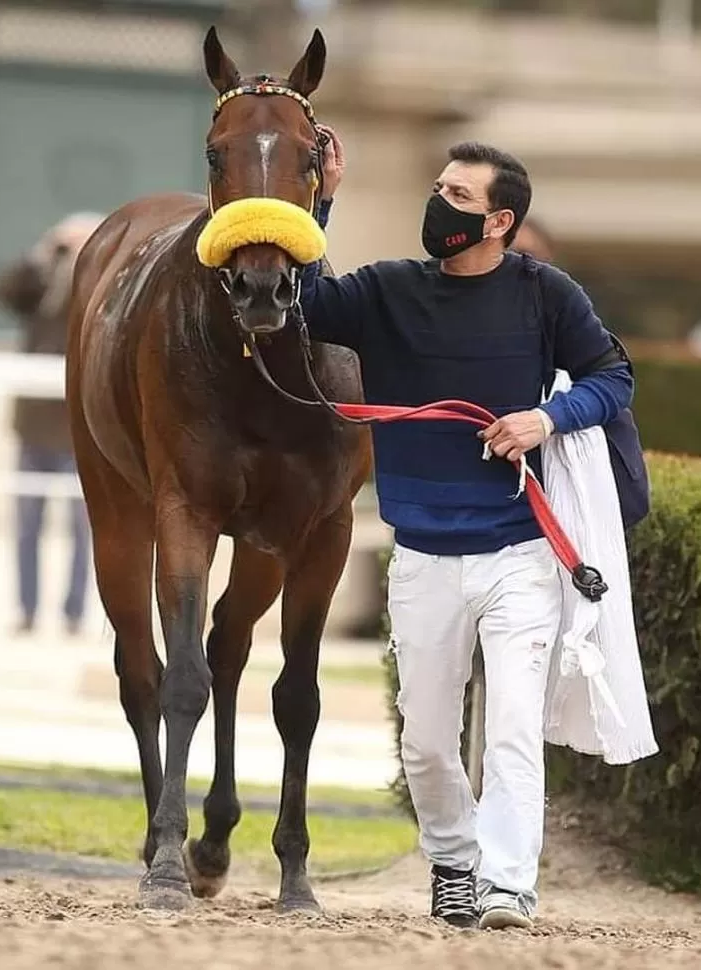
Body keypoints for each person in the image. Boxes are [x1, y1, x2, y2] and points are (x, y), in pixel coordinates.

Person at [297, 135, 633, 930]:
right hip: (421, 556)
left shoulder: (549, 295)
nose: (437, 203)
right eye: (438, 187)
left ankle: (510, 883)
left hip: (521, 552)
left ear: (499, 220)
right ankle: (454, 859)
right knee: (425, 741)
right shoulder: (383, 291)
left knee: (513, 729)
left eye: (457, 196)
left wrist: (546, 418)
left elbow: (613, 378)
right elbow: (307, 304)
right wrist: (323, 199)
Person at [0, 212, 104, 636]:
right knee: (26, 524)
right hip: (34, 427)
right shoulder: (41, 281)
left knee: (82, 528)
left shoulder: (99, 282)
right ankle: (27, 610)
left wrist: (90, 255)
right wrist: (43, 254)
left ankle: (74, 613)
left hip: (81, 429)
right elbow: (6, 293)